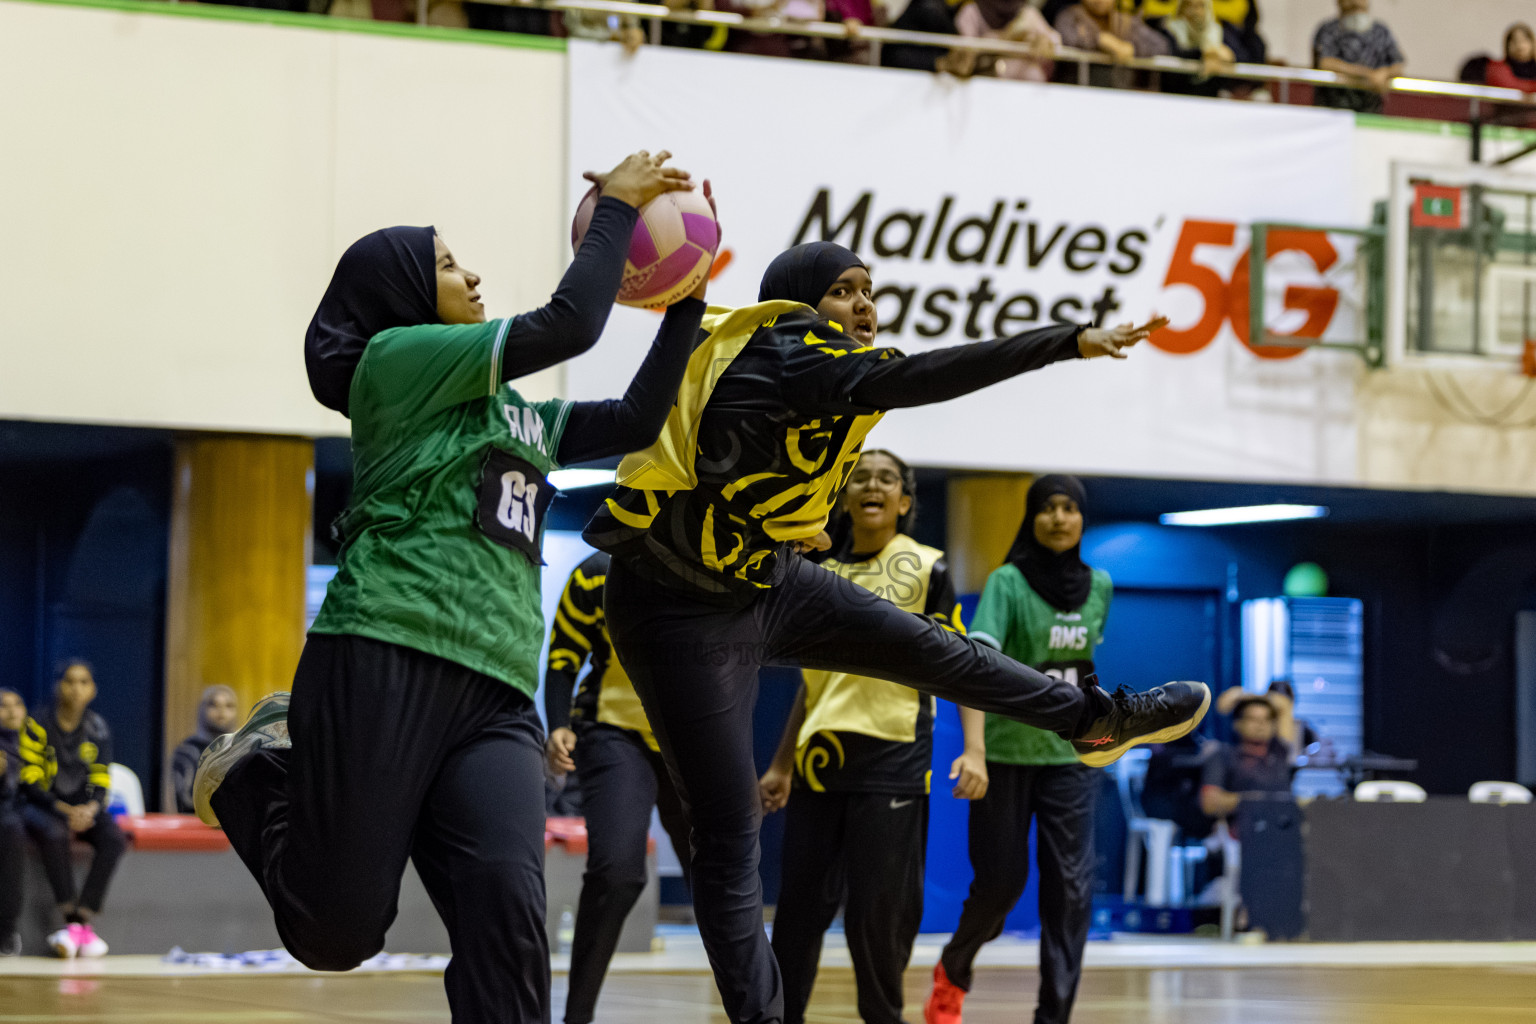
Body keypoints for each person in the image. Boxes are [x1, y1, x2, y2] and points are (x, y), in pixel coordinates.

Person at [585, 240, 1210, 1024]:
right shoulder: (789, 352)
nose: (866, 307)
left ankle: (1094, 722)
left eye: (869, 291)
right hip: (677, 610)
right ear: (800, 303)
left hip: (763, 580)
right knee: (729, 837)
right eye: (845, 291)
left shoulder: (792, 366)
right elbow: (923, 376)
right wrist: (1068, 342)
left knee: (935, 647)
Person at [192, 150, 713, 1024]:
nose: (470, 274)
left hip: (500, 692)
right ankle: (255, 770)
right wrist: (617, 210)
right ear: (398, 290)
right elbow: (568, 325)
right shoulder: (392, 364)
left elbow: (631, 422)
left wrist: (686, 301)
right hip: (385, 652)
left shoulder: (514, 412)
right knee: (338, 932)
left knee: (510, 924)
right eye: (443, 263)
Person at [757, 449, 968, 1024]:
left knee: (878, 916)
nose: (872, 485)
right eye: (860, 477)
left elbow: (965, 667)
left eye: (887, 478)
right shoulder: (814, 574)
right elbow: (814, 685)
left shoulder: (930, 569)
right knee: (799, 911)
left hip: (895, 759)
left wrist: (975, 750)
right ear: (843, 496)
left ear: (904, 501)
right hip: (820, 761)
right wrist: (780, 764)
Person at [925, 475, 1112, 1024]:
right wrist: (975, 750)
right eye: (1048, 508)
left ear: (1081, 519)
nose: (1059, 518)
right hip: (1006, 756)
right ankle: (954, 967)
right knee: (999, 888)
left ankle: (1053, 1016)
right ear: (1032, 517)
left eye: (1069, 508)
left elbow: (1086, 669)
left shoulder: (1100, 586)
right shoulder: (1006, 582)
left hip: (1071, 760)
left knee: (1071, 894)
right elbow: (976, 671)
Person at [545, 551, 693, 1024]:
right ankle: (577, 1016)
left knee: (720, 874)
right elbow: (565, 653)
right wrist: (558, 723)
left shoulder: (718, 559)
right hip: (613, 731)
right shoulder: (596, 571)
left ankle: (756, 1009)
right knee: (617, 872)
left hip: (691, 736)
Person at [18, 660, 126, 959]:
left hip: (83, 809)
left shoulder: (99, 727)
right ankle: (74, 923)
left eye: (83, 682)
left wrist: (90, 809)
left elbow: (101, 779)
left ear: (93, 690)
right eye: (70, 681)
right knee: (53, 832)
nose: (76, 689)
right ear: (58, 686)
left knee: (114, 839)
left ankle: (80, 921)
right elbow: (30, 783)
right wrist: (67, 811)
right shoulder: (36, 724)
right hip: (46, 806)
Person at [1199, 694, 1293, 822]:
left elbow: (1283, 704)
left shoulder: (1280, 754)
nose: (1261, 725)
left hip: (1281, 830)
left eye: (1267, 719)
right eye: (1253, 719)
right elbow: (1209, 804)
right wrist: (1254, 800)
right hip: (1239, 832)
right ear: (1238, 724)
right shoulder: (1223, 755)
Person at [1311, 0, 1404, 114]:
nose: (1355, 3)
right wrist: (1367, 74)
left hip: (1370, 112)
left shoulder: (1380, 31)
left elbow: (1397, 64)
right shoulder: (1328, 30)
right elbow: (1326, 63)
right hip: (1332, 112)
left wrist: (1384, 72)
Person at [1053, 0, 1169, 89]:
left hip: (1122, 96)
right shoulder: (1070, 16)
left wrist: (1133, 49)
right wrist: (1099, 40)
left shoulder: (1124, 21)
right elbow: (1063, 39)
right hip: (1077, 92)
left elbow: (1161, 45)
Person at [948, 0, 1059, 82]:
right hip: (983, 83)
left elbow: (1054, 41)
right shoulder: (972, 11)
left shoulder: (1026, 13)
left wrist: (1043, 41)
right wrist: (1007, 38)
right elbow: (964, 51)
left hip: (1024, 91)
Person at [170, 685, 238, 815]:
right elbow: (188, 801)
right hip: (196, 827)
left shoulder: (243, 748)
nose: (221, 711)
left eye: (229, 706)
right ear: (201, 709)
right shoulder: (188, 750)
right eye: (213, 704)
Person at [0, 688, 27, 957]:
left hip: (29, 812)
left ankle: (7, 931)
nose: (11, 710)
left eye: (17, 704)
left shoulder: (37, 742)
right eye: (3, 706)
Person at [1487, 23, 1536, 92]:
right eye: (1514, 41)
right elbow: (1508, 86)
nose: (1519, 45)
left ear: (1532, 43)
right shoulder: (1498, 69)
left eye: (1524, 40)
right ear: (1507, 45)